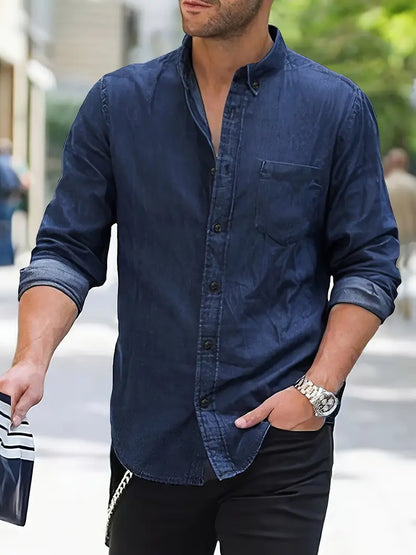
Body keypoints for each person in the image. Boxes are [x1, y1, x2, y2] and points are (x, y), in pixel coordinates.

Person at [0, 1, 400, 554]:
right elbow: (67, 248)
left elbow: (369, 261)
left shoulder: (335, 109)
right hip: (151, 437)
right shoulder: (118, 104)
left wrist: (318, 390)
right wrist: (31, 358)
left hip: (279, 438)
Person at [384, 148, 416, 319]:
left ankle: (396, 299)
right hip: (409, 235)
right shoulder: (412, 184)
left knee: (394, 267)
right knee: (407, 268)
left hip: (390, 234)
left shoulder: (386, 184)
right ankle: (405, 299)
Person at [0, 138, 23, 266]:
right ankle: (8, 258)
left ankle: (3, 259)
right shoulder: (13, 162)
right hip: (11, 200)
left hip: (2, 200)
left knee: (3, 229)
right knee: (7, 229)